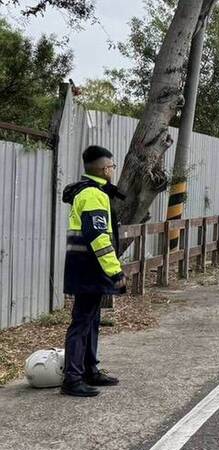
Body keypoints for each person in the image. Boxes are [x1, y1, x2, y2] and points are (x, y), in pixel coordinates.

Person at [61, 145, 127, 397]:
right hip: (90, 268)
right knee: (81, 322)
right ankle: (73, 378)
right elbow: (98, 236)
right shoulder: (92, 195)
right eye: (111, 166)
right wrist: (115, 271)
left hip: (87, 267)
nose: (113, 170)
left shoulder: (95, 192)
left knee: (92, 319)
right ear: (103, 169)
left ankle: (89, 369)